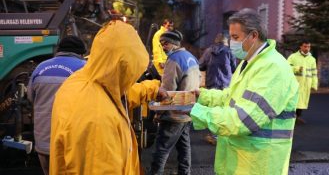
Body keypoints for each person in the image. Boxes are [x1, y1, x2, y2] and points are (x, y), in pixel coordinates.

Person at [190, 8, 299, 175]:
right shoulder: (248, 62)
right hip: (241, 158)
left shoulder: (273, 68)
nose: (232, 43)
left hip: (259, 164)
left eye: (235, 37)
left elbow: (244, 119)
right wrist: (201, 96)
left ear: (253, 36)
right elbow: (230, 97)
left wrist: (195, 111)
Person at [50, 20, 166, 175]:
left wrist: (153, 88)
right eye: (131, 73)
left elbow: (121, 93)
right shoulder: (98, 120)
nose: (131, 80)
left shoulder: (84, 80)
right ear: (122, 68)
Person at [27, 36, 87, 175]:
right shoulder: (84, 69)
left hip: (43, 142)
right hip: (69, 143)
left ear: (59, 50)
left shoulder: (40, 67)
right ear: (81, 53)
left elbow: (31, 98)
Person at [149, 30, 201, 175]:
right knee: (184, 147)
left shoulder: (173, 60)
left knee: (162, 149)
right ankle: (185, 172)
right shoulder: (191, 57)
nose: (163, 48)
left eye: (163, 44)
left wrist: (158, 113)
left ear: (170, 44)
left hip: (174, 114)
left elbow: (166, 91)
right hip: (188, 111)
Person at [199, 33, 236, 145]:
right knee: (224, 109)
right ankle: (223, 134)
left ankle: (214, 136)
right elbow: (234, 68)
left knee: (213, 110)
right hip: (225, 85)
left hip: (211, 83)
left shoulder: (208, 51)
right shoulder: (229, 52)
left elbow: (200, 65)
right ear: (226, 41)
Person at [287, 40, 318, 124]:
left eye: (308, 47)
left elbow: (314, 72)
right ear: (300, 47)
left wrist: (314, 84)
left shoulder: (312, 59)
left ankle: (298, 117)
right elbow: (286, 67)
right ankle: (291, 117)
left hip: (306, 84)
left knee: (302, 101)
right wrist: (297, 69)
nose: (307, 48)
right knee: (293, 100)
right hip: (295, 83)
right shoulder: (293, 57)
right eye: (305, 46)